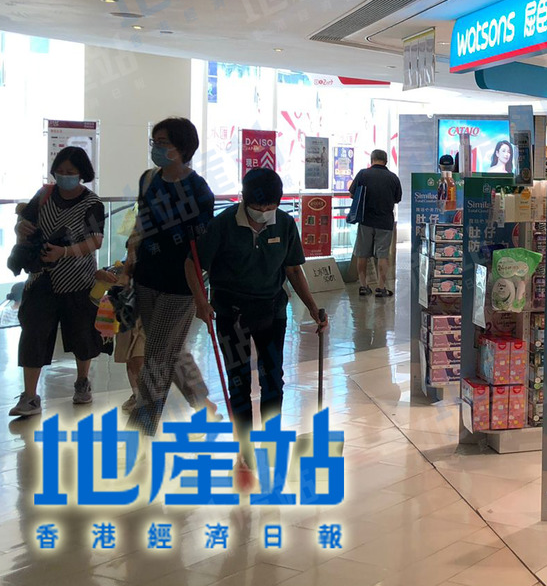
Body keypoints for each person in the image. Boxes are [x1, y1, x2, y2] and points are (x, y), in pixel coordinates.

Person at [186, 168, 328, 443]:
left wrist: (312, 307)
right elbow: (192, 264)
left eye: (270, 207)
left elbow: (293, 269)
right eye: (257, 207)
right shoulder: (223, 224)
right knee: (238, 379)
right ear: (244, 198)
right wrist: (200, 302)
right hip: (231, 312)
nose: (263, 212)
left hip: (272, 310)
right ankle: (244, 446)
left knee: (272, 378)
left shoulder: (285, 224)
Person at [124, 118, 220, 436]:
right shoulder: (149, 179)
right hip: (146, 278)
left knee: (156, 356)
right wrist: (129, 259)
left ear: (182, 148)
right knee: (168, 348)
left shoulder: (199, 191)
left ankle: (141, 429)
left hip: (180, 285)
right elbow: (140, 221)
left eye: (163, 142)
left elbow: (199, 248)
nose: (157, 148)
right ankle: (203, 405)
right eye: (155, 141)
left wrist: (201, 296)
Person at [9, 147, 105, 416]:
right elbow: (23, 222)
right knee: (34, 333)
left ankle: (82, 382)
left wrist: (64, 252)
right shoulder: (44, 195)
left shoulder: (92, 203)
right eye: (60, 171)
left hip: (78, 280)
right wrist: (20, 227)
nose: (64, 176)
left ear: (82, 173)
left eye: (70, 172)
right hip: (42, 277)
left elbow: (95, 241)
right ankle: (30, 396)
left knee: (82, 334)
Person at [349, 149, 403, 298]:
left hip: (365, 220)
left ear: (371, 160)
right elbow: (397, 199)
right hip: (385, 222)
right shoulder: (393, 178)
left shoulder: (363, 174)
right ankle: (381, 287)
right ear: (386, 161)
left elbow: (352, 193)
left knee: (362, 254)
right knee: (382, 255)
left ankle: (363, 286)